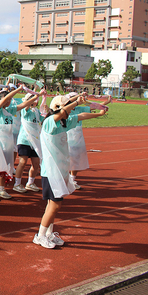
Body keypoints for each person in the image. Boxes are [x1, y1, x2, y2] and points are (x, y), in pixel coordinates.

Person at [33, 94, 106, 248]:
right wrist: (75, 102)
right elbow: (61, 113)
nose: (68, 110)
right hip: (51, 172)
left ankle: (48, 234)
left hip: (60, 170)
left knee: (52, 206)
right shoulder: (48, 123)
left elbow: (80, 116)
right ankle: (40, 236)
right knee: (55, 205)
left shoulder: (64, 123)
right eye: (65, 106)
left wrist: (98, 114)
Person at [0, 85, 38, 201]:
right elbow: (4, 99)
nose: (9, 101)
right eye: (7, 99)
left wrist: (37, 96)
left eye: (9, 100)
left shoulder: (9, 110)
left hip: (7, 144)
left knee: (6, 168)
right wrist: (18, 90)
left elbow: (23, 105)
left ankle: (1, 189)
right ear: (0, 99)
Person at [66, 92, 111, 189]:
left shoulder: (79, 109)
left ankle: (72, 180)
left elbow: (94, 106)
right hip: (65, 137)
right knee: (65, 160)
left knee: (76, 160)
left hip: (77, 138)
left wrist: (107, 102)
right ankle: (64, 180)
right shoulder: (64, 110)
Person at [13, 90, 46, 193]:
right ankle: (17, 184)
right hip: (24, 140)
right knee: (22, 163)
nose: (35, 101)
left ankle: (30, 183)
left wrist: (45, 108)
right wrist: (35, 95)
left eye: (36, 99)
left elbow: (43, 119)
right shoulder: (25, 110)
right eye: (33, 99)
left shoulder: (36, 111)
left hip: (35, 141)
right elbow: (26, 106)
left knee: (36, 164)